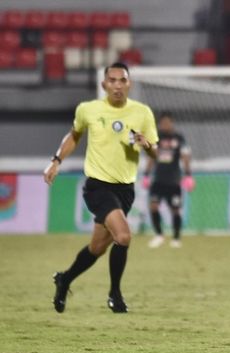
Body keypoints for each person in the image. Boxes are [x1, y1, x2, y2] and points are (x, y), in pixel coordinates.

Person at [44, 61, 158, 314]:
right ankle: (115, 294)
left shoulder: (142, 113)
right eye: (113, 80)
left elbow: (157, 152)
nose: (117, 85)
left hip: (125, 190)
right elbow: (74, 135)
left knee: (97, 248)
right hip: (97, 187)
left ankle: (64, 279)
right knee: (124, 236)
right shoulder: (88, 109)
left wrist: (147, 145)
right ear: (104, 84)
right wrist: (56, 161)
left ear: (130, 84)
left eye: (122, 80)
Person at [143, 111, 194, 249]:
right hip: (158, 180)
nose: (165, 125)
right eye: (162, 123)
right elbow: (151, 157)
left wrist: (188, 175)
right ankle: (159, 235)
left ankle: (176, 238)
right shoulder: (156, 138)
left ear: (171, 123)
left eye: (167, 122)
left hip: (174, 181)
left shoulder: (179, 138)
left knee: (175, 210)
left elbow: (185, 157)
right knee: (153, 206)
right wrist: (146, 174)